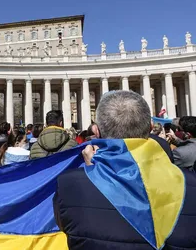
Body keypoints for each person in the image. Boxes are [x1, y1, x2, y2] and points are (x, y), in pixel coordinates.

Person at [53, 91, 196, 249]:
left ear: (97, 132)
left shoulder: (69, 186)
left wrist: (92, 172)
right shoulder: (191, 183)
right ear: (150, 127)